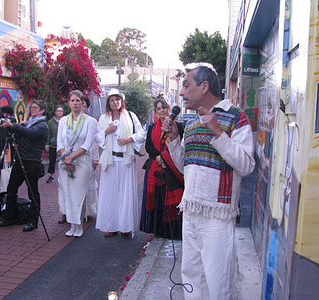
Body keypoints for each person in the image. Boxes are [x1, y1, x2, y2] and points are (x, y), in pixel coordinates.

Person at [162, 63, 255, 300]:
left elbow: (246, 165)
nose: (181, 93)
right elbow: (186, 166)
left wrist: (218, 132)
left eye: (186, 85)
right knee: (191, 277)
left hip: (218, 216)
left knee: (218, 282)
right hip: (191, 211)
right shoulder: (191, 122)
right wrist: (174, 140)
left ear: (204, 86)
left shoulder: (236, 116)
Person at [95, 89, 145, 237]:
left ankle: (125, 226)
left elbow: (141, 133)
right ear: (108, 103)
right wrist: (107, 131)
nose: (115, 102)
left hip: (125, 160)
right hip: (109, 160)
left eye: (117, 99)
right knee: (110, 194)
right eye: (112, 100)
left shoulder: (130, 116)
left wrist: (129, 139)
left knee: (125, 194)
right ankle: (111, 225)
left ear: (121, 101)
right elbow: (97, 138)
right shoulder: (103, 118)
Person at [0, 100, 48, 232]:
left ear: (42, 111)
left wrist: (15, 126)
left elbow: (31, 134)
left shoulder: (42, 125)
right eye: (32, 108)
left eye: (35, 108)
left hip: (32, 162)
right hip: (20, 160)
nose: (32, 110)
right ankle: (9, 217)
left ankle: (33, 221)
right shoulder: (28, 123)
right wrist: (13, 127)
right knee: (11, 189)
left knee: (32, 192)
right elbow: (18, 137)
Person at [140, 97, 184, 239]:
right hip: (156, 166)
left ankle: (171, 231)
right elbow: (148, 147)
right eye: (159, 108)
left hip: (172, 167)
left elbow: (180, 145)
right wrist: (159, 157)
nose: (162, 110)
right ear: (156, 112)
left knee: (171, 201)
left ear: (169, 109)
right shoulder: (152, 128)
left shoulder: (179, 126)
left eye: (164, 107)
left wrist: (167, 158)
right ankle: (157, 230)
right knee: (157, 199)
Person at [56, 90, 97, 238]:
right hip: (65, 163)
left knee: (78, 194)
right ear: (68, 103)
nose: (75, 103)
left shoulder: (90, 122)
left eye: (78, 101)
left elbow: (87, 144)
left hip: (81, 162)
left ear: (82, 103)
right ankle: (71, 224)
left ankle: (79, 225)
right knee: (67, 193)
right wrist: (66, 159)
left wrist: (71, 158)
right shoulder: (63, 121)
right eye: (72, 100)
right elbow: (59, 142)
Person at [81, 96, 99, 221]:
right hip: (72, 159)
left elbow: (95, 141)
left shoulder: (92, 122)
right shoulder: (67, 121)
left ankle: (87, 211)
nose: (80, 107)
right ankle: (67, 212)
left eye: (83, 105)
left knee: (88, 184)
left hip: (89, 157)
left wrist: (96, 158)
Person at [46, 105, 64, 184]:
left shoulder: (65, 121)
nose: (60, 112)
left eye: (61, 111)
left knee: (64, 160)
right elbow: (48, 134)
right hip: (53, 145)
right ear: (55, 112)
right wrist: (47, 144)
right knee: (52, 161)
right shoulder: (51, 122)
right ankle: (51, 176)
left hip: (63, 146)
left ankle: (63, 176)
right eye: (58, 111)